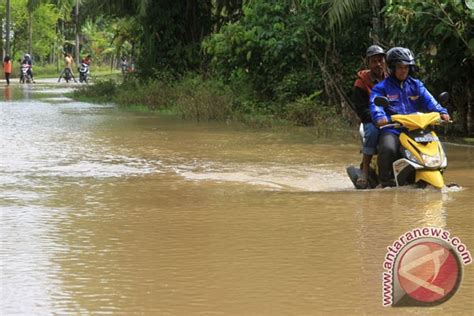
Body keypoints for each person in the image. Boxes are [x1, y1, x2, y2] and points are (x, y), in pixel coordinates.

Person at [369, 47, 450, 187]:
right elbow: (376, 105)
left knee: (438, 145)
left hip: (416, 128)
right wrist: (380, 117)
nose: (403, 70)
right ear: (393, 68)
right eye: (400, 67)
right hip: (393, 129)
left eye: (406, 67)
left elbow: (430, 101)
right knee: (388, 148)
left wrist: (442, 112)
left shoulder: (416, 85)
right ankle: (384, 181)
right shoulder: (381, 87)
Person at [352, 45, 387, 189]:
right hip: (371, 120)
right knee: (373, 132)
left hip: (392, 119)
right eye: (374, 61)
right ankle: (365, 169)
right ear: (368, 63)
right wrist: (377, 119)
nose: (378, 64)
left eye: (380, 60)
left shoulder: (392, 79)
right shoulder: (361, 82)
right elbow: (361, 110)